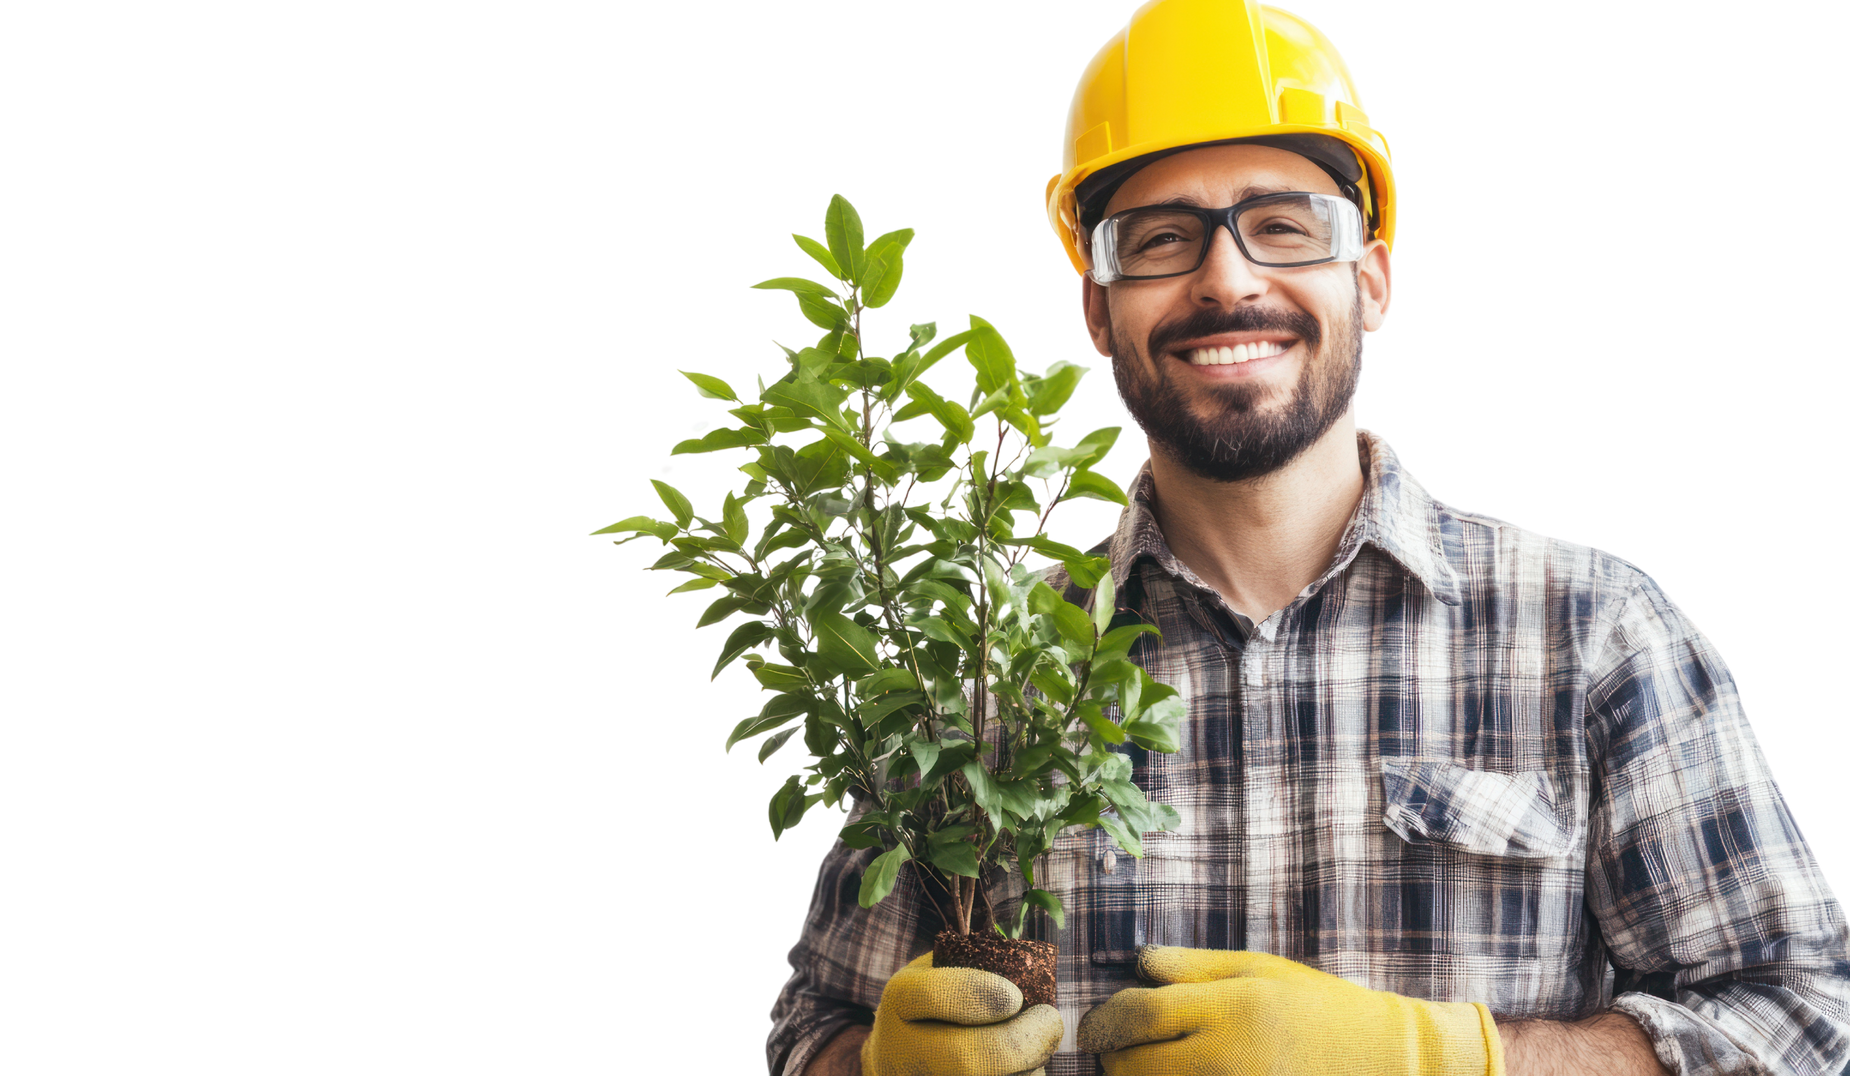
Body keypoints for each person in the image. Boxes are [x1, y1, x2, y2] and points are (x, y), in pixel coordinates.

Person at [762, 1, 1850, 1073]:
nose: (1227, 278)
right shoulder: (972, 662)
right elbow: (810, 1027)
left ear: (1371, 281)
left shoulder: (1593, 630)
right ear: (1096, 310)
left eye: (1284, 226)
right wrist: (876, 1066)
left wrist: (1445, 1056)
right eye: (1161, 239)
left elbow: (1803, 1019)